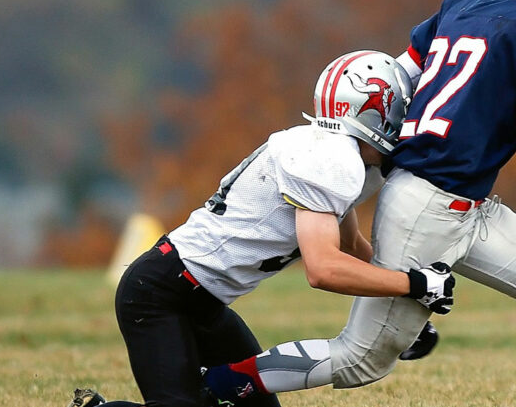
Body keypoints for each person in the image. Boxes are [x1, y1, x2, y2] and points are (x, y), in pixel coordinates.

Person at [203, 0, 516, 407]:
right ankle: (206, 389)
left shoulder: (465, 3)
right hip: (429, 208)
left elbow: (398, 79)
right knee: (360, 359)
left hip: (459, 201)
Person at [67, 50, 457, 407]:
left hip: (204, 301)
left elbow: (349, 244)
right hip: (161, 293)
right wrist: (415, 284)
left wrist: (400, 304)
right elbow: (323, 269)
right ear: (373, 113)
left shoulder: (337, 154)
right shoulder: (331, 158)